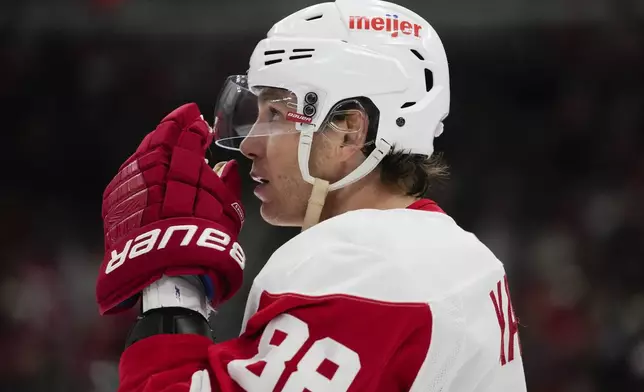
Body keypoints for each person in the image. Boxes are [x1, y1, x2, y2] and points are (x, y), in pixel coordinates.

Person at [95, 0, 527, 390]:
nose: (248, 144)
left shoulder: (363, 269)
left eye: (277, 114)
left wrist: (172, 292)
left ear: (348, 132)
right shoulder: (453, 254)